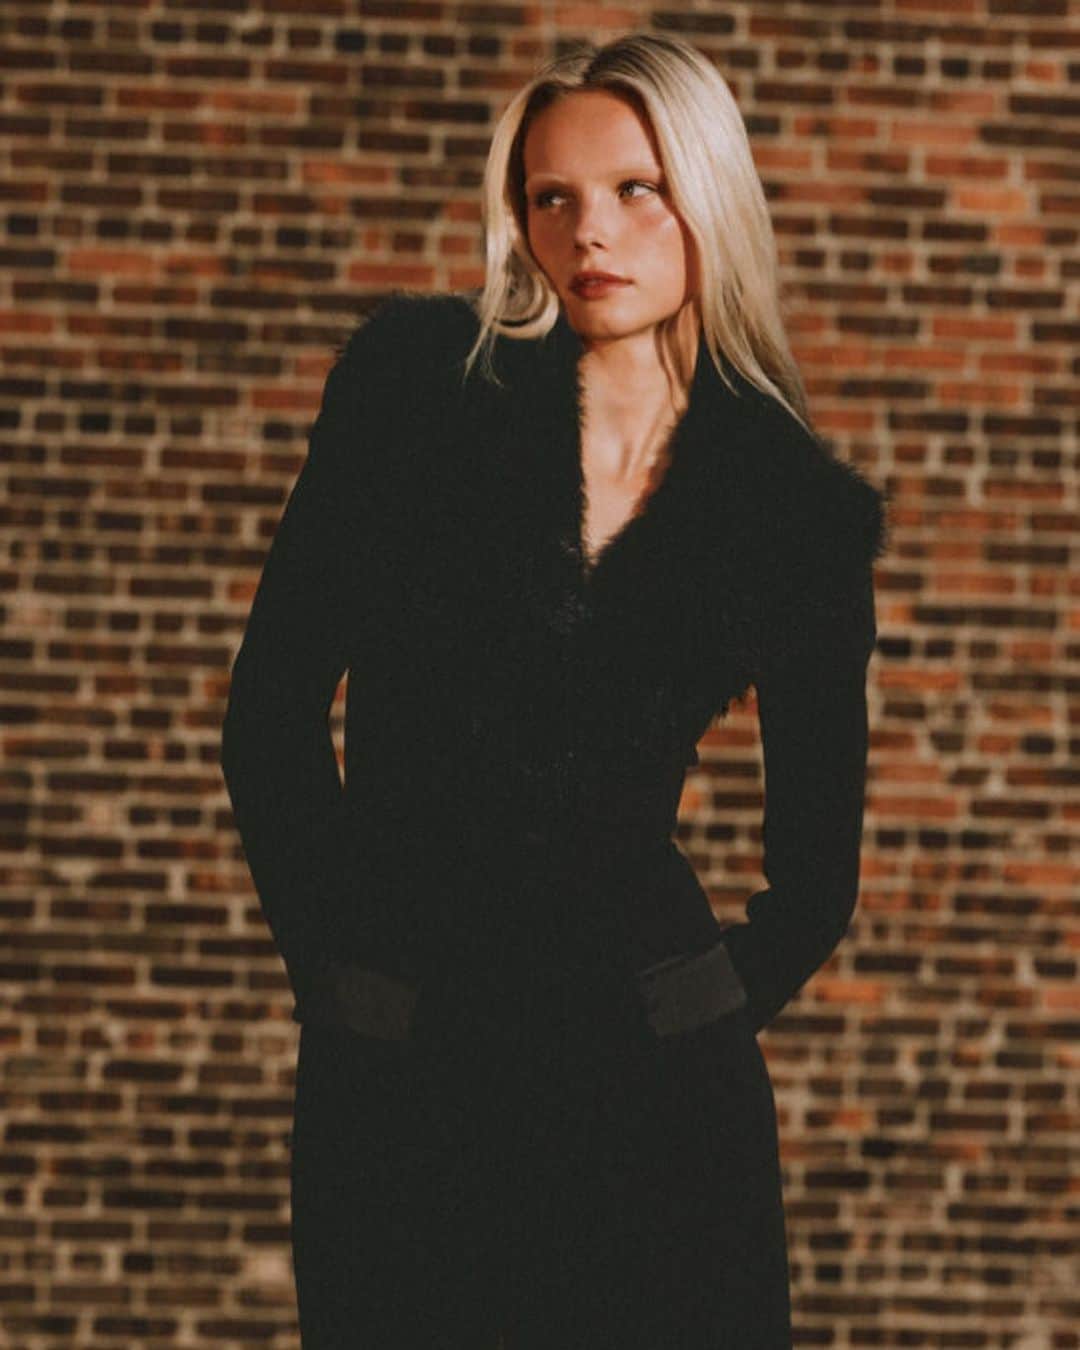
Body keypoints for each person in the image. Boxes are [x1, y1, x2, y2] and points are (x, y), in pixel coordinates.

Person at [220, 31, 888, 1350]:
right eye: (553, 197)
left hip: (659, 1112)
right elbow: (270, 715)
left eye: (639, 190)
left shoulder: (786, 508)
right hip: (405, 1067)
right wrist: (343, 971)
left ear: (708, 195)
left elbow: (818, 875)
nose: (592, 232)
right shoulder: (413, 395)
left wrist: (681, 1010)